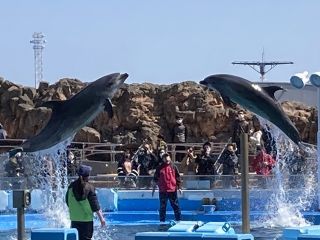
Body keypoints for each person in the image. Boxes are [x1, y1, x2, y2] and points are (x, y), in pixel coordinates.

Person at [66, 165, 105, 240]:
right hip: (86, 220)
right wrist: (101, 219)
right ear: (88, 176)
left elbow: (67, 201)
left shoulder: (71, 186)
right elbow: (95, 205)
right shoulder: (90, 188)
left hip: (74, 219)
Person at [152, 153, 182, 223]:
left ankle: (179, 220)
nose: (167, 161)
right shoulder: (159, 168)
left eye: (168, 159)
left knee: (175, 206)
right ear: (163, 159)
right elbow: (155, 178)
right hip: (163, 191)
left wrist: (179, 187)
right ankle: (162, 221)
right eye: (166, 160)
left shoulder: (173, 166)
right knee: (162, 207)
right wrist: (153, 188)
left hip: (172, 190)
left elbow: (178, 177)